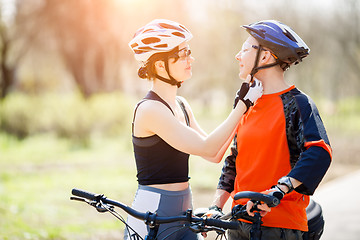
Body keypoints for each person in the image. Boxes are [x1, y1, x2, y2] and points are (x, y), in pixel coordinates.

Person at [125, 19, 263, 240]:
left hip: (184, 208)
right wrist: (242, 105)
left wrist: (244, 107)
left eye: (189, 51)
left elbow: (216, 154)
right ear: (160, 65)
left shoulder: (182, 105)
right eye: (183, 54)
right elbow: (208, 148)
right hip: (153, 212)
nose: (191, 58)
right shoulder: (149, 109)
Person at [206, 20, 332, 240]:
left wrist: (278, 190)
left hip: (279, 227)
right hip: (238, 225)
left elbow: (320, 152)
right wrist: (216, 205)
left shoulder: (298, 104)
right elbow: (234, 161)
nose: (238, 55)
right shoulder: (248, 104)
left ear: (264, 56)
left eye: (245, 49)